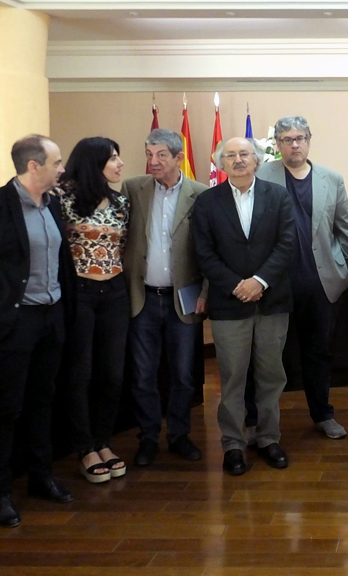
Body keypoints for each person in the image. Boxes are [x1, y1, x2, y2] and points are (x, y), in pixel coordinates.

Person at [0, 135, 77, 526]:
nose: (62, 169)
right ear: (33, 166)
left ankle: (41, 477)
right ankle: (0, 493)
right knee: (5, 409)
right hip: (12, 323)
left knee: (43, 402)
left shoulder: (53, 203)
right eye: (57, 162)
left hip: (50, 318)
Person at [192, 137, 296, 476]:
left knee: (270, 376)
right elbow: (204, 253)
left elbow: (287, 244)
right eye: (231, 155)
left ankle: (268, 438)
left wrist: (259, 281)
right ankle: (233, 445)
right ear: (221, 164)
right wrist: (237, 286)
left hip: (272, 301)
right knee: (232, 379)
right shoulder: (207, 202)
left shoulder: (278, 196)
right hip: (228, 303)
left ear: (257, 160)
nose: (238, 160)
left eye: (244, 154)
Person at [253, 116, 348, 440]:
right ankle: (258, 421)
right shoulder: (261, 176)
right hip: (274, 283)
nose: (294, 144)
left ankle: (323, 414)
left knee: (318, 352)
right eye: (286, 139)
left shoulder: (332, 179)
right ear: (277, 144)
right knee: (267, 355)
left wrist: (343, 267)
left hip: (320, 282)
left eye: (299, 138)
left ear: (309, 140)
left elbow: (344, 230)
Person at [124, 128, 210, 466]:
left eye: (161, 155)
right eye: (148, 154)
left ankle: (179, 435)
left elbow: (209, 250)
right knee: (143, 374)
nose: (153, 161)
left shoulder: (201, 195)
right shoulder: (133, 189)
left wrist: (206, 292)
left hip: (184, 298)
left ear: (178, 157)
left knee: (183, 374)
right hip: (141, 297)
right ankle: (147, 437)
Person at [55, 137, 130, 484]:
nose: (120, 164)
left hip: (115, 292)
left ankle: (103, 441)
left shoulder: (120, 203)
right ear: (92, 163)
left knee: (112, 373)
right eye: (112, 158)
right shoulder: (62, 200)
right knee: (80, 372)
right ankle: (84, 446)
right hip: (80, 294)